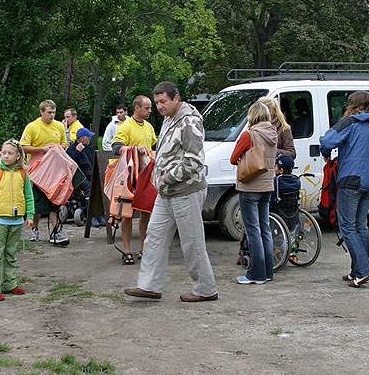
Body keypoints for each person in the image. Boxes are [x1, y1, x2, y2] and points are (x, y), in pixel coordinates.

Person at [125, 81, 218, 302]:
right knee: (154, 238)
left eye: (162, 101)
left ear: (176, 98)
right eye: (156, 102)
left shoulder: (190, 120)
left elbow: (194, 160)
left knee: (192, 242)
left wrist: (167, 177)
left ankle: (206, 289)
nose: (158, 106)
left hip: (186, 190)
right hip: (166, 192)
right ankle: (149, 286)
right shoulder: (169, 119)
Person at [319, 91, 369, 288]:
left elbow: (327, 141)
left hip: (350, 179)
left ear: (351, 105)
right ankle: (356, 271)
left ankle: (364, 271)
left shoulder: (350, 122)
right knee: (360, 225)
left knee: (347, 225)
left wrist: (326, 155)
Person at [229, 101, 278, 284]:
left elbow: (234, 159)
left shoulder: (249, 135)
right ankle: (267, 272)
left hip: (249, 187)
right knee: (264, 229)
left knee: (252, 230)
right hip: (267, 187)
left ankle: (255, 274)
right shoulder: (273, 134)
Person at [0, 139, 34, 300]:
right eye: (3, 153)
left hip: (17, 221)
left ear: (18, 156)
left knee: (11, 253)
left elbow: (28, 196)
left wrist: (30, 215)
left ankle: (9, 283)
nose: (6, 156)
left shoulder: (23, 173)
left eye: (10, 153)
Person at [111, 95, 157, 264]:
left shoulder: (149, 127)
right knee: (127, 214)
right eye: (147, 108)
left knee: (146, 212)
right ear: (137, 108)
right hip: (130, 177)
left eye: (150, 108)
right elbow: (116, 147)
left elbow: (154, 146)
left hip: (146, 177)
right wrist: (133, 148)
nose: (150, 111)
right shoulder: (126, 126)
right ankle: (127, 250)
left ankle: (144, 250)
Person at [20, 99, 69, 245]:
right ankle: (34, 228)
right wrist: (42, 149)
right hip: (36, 170)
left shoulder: (59, 126)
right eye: (49, 112)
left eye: (54, 112)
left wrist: (58, 147)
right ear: (41, 112)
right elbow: (23, 146)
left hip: (55, 169)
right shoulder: (32, 127)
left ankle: (57, 231)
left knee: (54, 199)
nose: (52, 115)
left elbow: (65, 144)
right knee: (36, 202)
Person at [66, 127, 102, 227]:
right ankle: (91, 216)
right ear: (81, 138)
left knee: (101, 186)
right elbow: (69, 163)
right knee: (89, 188)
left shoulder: (89, 148)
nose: (89, 138)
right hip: (78, 177)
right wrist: (77, 151)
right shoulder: (72, 149)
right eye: (88, 136)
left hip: (91, 174)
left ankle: (99, 213)